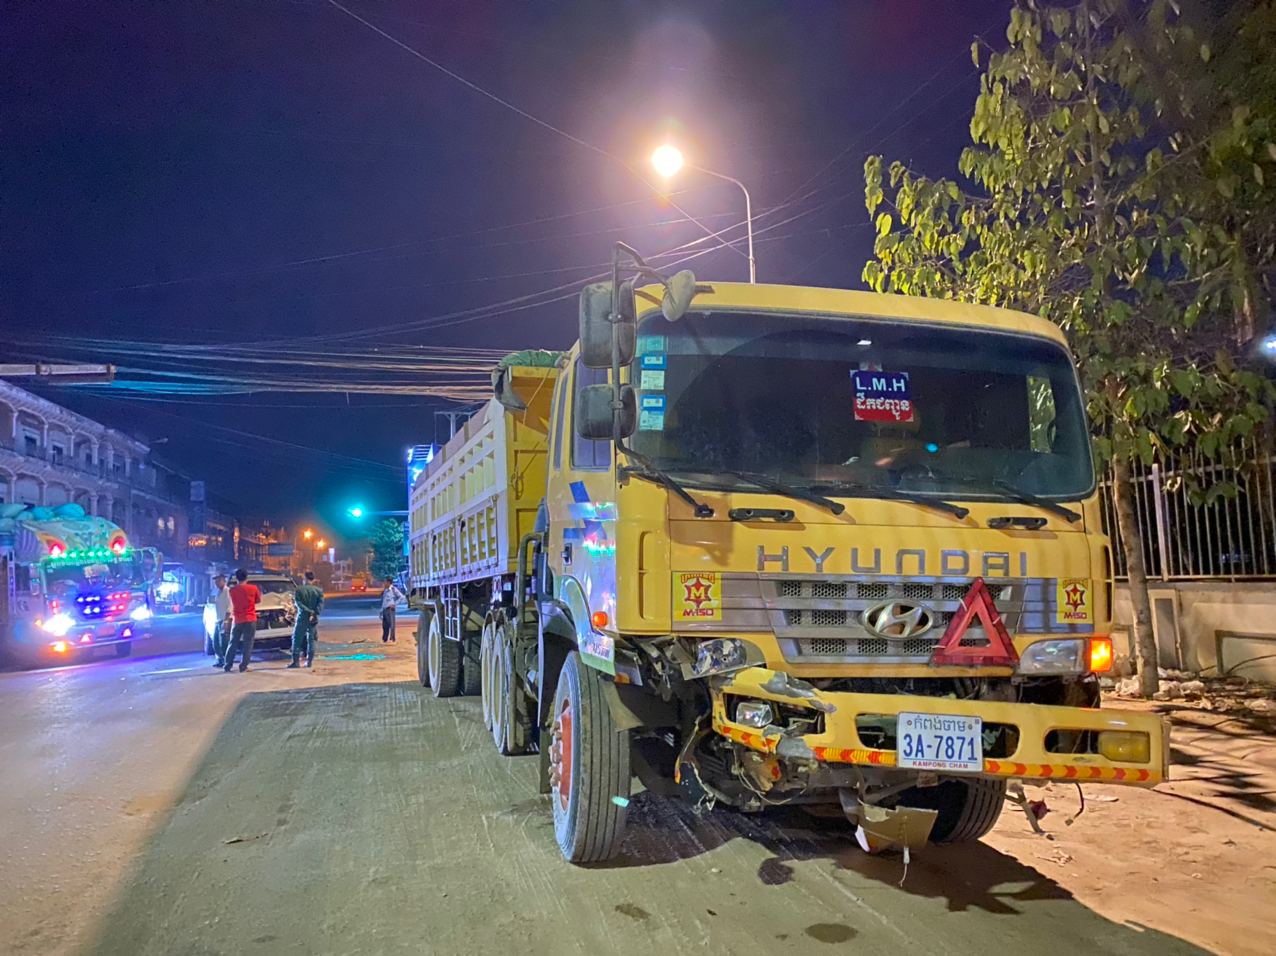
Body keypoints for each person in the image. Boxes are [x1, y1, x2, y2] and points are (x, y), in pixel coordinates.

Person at [224, 568, 261, 673]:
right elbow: (258, 600)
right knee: (248, 644)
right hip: (250, 619)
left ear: (237, 578)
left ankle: (227, 665)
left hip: (237, 619)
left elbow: (230, 603)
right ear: (246, 577)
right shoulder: (253, 588)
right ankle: (243, 666)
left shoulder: (232, 590)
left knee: (233, 642)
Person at [289, 570, 324, 669]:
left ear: (304, 578)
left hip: (302, 617)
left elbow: (298, 604)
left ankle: (295, 662)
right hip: (313, 618)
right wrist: (314, 613)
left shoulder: (299, 590)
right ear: (313, 579)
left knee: (297, 638)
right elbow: (320, 605)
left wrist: (308, 611)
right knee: (311, 639)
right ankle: (309, 662)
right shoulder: (318, 591)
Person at [211, 574, 233, 668]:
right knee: (215, 641)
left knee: (224, 642)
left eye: (219, 581)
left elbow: (230, 607)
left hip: (225, 620)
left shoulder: (227, 591)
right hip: (218, 619)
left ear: (224, 581)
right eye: (216, 581)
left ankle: (226, 661)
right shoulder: (218, 592)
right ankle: (220, 660)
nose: (217, 583)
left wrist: (226, 621)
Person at [379, 576, 406, 643]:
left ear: (388, 582)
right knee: (384, 625)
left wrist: (394, 604)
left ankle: (392, 638)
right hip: (385, 609)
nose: (384, 583)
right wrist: (381, 611)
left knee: (391, 625)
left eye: (385, 582)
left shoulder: (393, 589)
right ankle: (384, 639)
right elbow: (384, 601)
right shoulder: (385, 590)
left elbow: (402, 597)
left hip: (390, 609)